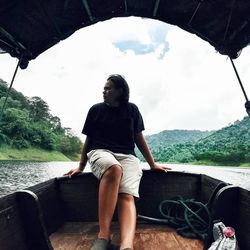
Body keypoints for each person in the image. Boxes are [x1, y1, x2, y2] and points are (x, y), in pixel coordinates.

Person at [64, 74, 171, 250]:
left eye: (108, 88)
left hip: (128, 156)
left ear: (120, 91)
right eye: (104, 88)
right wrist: (81, 166)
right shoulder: (95, 110)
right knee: (114, 169)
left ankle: (126, 245)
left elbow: (139, 139)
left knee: (127, 195)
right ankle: (103, 236)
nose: (104, 91)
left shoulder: (132, 110)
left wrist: (152, 164)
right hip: (101, 152)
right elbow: (88, 141)